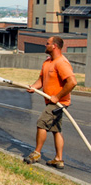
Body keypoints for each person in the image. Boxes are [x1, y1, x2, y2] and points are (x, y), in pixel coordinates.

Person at [24, 36, 77, 169]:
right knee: (56, 130)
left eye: (47, 43)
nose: (45, 45)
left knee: (41, 123)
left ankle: (36, 153)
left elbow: (72, 82)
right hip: (51, 102)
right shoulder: (47, 62)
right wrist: (34, 87)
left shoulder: (61, 63)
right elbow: (41, 80)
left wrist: (57, 97)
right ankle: (58, 159)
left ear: (54, 46)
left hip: (58, 103)